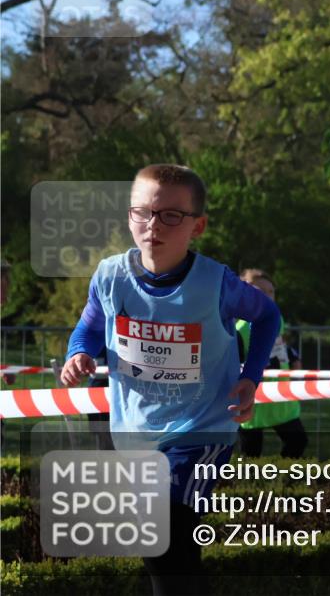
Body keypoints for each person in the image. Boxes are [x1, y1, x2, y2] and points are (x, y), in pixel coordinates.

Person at [59, 163, 281, 596]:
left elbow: (268, 315)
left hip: (202, 430)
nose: (153, 224)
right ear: (129, 217)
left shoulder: (216, 282)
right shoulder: (111, 275)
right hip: (137, 433)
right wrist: (78, 353)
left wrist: (250, 378)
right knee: (167, 548)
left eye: (170, 216)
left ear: (198, 225)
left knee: (165, 530)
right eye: (142, 212)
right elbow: (88, 325)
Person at [236, 268, 308, 458]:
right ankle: (250, 486)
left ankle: (283, 482)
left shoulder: (277, 319)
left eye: (271, 292)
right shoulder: (239, 327)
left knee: (297, 441)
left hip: (281, 397)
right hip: (253, 398)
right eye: (260, 291)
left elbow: (280, 345)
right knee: (250, 453)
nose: (267, 296)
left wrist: (293, 359)